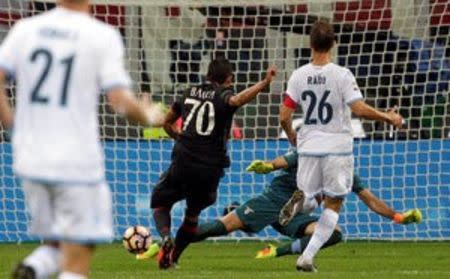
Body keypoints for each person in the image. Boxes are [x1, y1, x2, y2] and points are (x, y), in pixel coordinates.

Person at [0, 1, 165, 278]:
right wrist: (148, 115)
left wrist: (13, 127)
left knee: (55, 242)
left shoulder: (25, 30)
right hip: (75, 160)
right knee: (78, 255)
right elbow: (120, 102)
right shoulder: (101, 35)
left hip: (30, 158)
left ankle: (32, 269)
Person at [137, 150, 422, 260]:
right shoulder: (310, 153)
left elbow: (369, 199)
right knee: (219, 228)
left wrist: (397, 216)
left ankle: (278, 251)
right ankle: (167, 243)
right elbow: (281, 162)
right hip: (271, 202)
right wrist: (265, 166)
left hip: (294, 218)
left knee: (333, 233)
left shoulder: (344, 171)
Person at [279, 20, 403, 272]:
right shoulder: (342, 75)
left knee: (311, 196)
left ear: (310, 44)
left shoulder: (298, 75)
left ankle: (303, 202)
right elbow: (358, 108)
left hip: (309, 147)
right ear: (333, 44)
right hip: (337, 148)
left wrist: (292, 134)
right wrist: (387, 117)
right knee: (333, 204)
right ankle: (307, 257)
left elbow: (283, 115)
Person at [151, 58, 277, 269]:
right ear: (228, 79)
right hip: (210, 168)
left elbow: (166, 122)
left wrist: (179, 138)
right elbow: (237, 100)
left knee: (160, 203)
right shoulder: (224, 95)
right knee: (192, 216)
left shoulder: (189, 92)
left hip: (183, 159)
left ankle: (165, 236)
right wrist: (264, 83)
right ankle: (173, 258)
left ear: (208, 76)